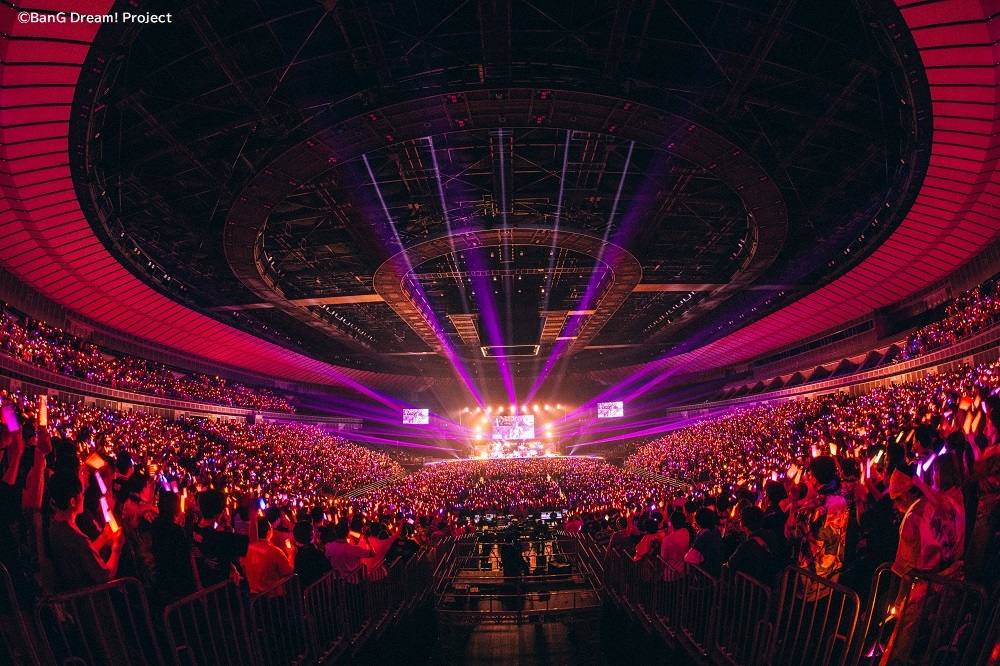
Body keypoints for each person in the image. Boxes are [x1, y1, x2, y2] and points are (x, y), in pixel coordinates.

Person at [46, 470, 124, 592]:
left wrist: (103, 537)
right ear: (73, 501)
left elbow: (82, 555)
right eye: (81, 494)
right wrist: (116, 548)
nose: (83, 497)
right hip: (87, 600)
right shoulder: (76, 537)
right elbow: (105, 575)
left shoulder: (55, 525)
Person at [785, 456, 848, 581]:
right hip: (834, 571)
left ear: (814, 479)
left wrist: (794, 500)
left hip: (812, 576)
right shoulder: (844, 494)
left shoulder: (811, 509)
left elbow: (790, 532)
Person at [190, 488, 257, 588]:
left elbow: (213, 531)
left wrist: (231, 567)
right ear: (219, 513)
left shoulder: (193, 528)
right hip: (223, 593)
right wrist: (253, 514)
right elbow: (253, 541)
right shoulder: (222, 538)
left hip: (203, 586)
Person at [150, 491, 198, 603]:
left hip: (162, 580)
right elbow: (185, 557)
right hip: (178, 584)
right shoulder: (176, 531)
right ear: (175, 507)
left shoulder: (155, 524)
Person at [727, 505, 782, 586]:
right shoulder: (771, 535)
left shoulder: (746, 546)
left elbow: (732, 562)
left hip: (751, 586)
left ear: (744, 526)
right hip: (769, 582)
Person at [244, 518, 293, 595]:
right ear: (269, 532)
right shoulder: (274, 551)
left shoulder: (247, 548)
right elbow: (289, 571)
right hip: (273, 596)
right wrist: (291, 554)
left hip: (254, 595)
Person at [685, 507, 723, 577]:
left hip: (705, 573)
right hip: (716, 569)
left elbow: (689, 558)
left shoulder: (704, 535)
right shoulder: (716, 530)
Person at [292, 521, 331, 589]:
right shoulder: (316, 553)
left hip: (303, 590)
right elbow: (328, 570)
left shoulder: (296, 553)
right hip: (318, 590)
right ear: (311, 534)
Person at [659, 511, 691, 581]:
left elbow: (663, 559)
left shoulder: (667, 540)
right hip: (684, 571)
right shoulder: (686, 532)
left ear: (672, 522)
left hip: (671, 574)